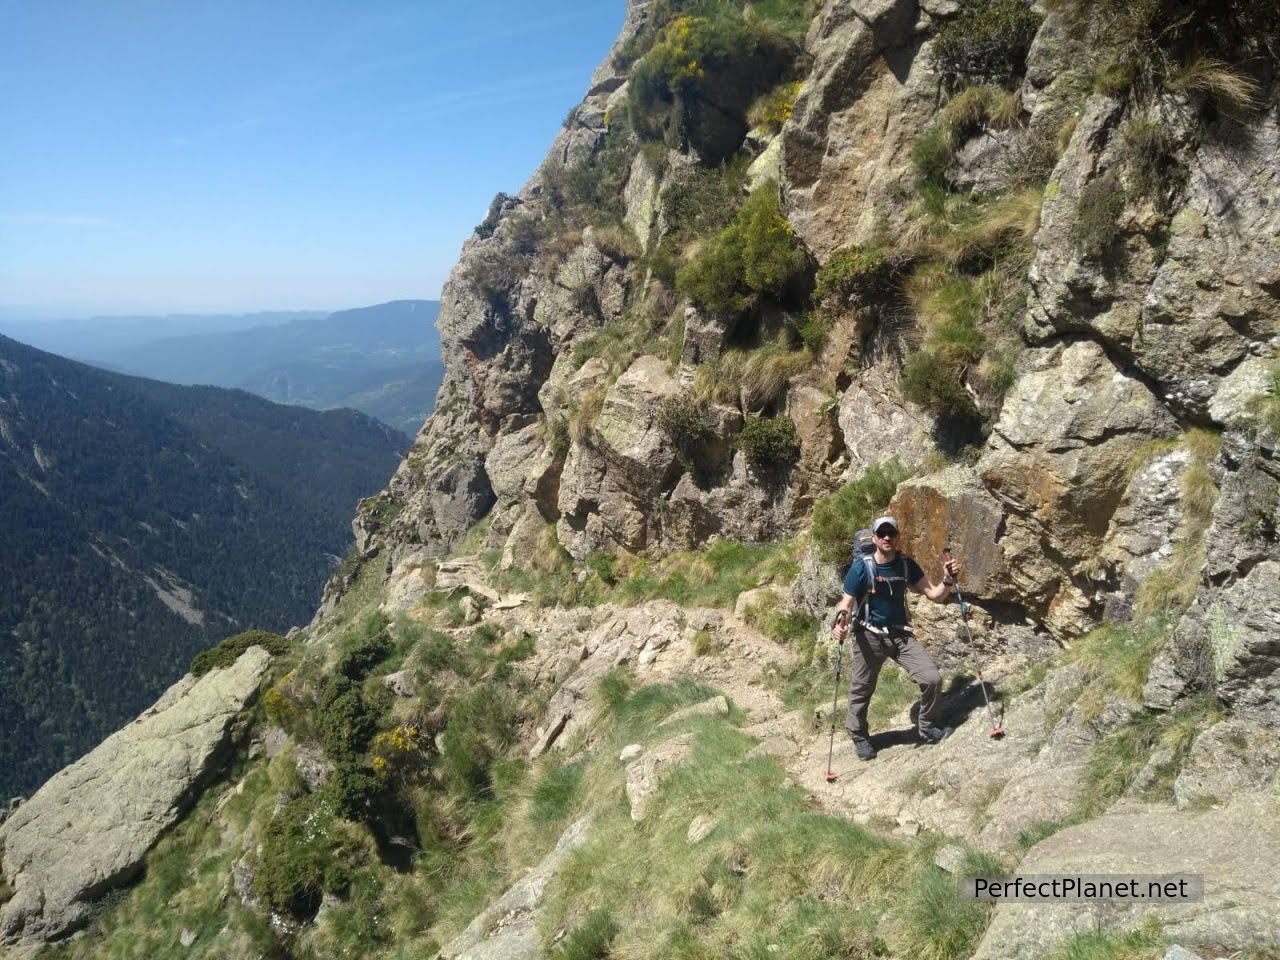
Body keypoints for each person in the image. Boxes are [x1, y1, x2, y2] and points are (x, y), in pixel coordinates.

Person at [832, 515, 960, 761]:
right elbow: (846, 604)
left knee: (931, 678)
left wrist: (947, 580)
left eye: (892, 533)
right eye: (882, 534)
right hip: (868, 635)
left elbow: (935, 595)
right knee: (861, 689)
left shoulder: (906, 565)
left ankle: (927, 726)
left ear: (898, 536)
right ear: (875, 537)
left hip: (900, 635)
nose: (887, 538)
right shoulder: (861, 567)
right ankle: (859, 736)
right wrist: (840, 625)